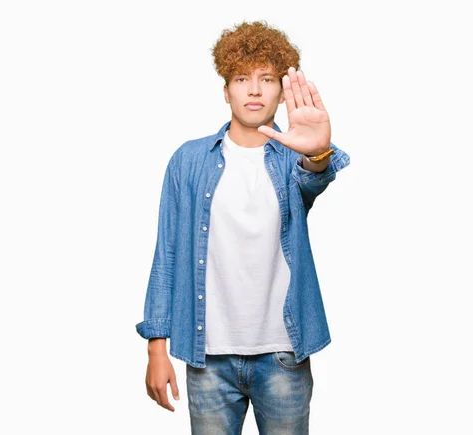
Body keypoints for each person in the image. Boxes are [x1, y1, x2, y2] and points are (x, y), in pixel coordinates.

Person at [136, 20, 350, 434]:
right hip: (208, 357)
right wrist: (156, 346)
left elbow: (314, 177)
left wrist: (319, 151)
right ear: (226, 89)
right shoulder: (189, 160)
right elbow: (168, 254)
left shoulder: (293, 157)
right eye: (241, 78)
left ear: (281, 90)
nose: (254, 89)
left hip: (283, 355)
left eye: (267, 78)